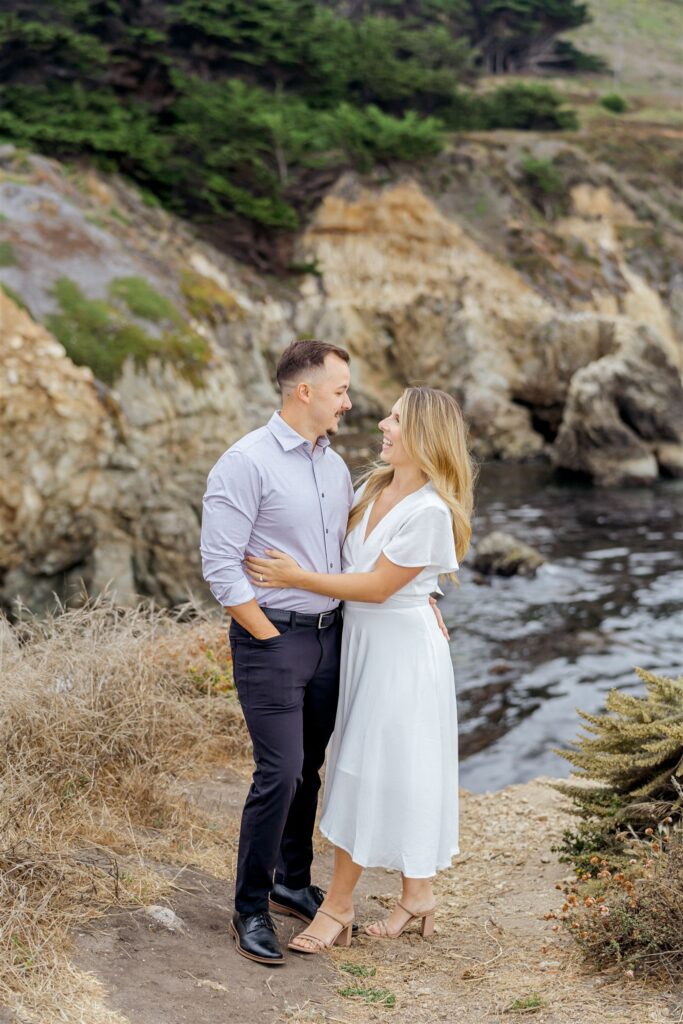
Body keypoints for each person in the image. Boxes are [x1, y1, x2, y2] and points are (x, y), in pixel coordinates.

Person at [201, 341, 449, 965]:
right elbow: (220, 566)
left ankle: (292, 880)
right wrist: (267, 635)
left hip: (336, 638)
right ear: (304, 392)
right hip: (275, 638)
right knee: (279, 772)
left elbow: (368, 561)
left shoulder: (339, 469)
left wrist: (424, 597)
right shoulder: (245, 462)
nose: (351, 403)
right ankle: (250, 908)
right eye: (341, 390)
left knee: (313, 769)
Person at [245, 386, 474, 952]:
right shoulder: (371, 486)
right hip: (361, 645)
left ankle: (339, 907)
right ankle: (417, 894)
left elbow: (375, 587)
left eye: (395, 419)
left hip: (402, 654)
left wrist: (296, 578)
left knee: (370, 768)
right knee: (386, 763)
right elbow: (347, 559)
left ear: (422, 433)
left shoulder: (431, 512)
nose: (382, 424)